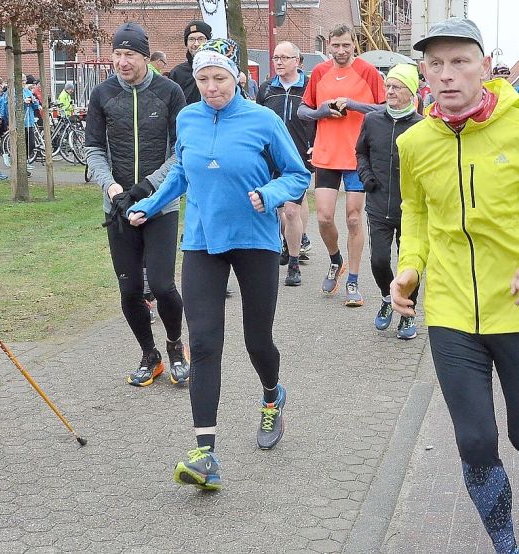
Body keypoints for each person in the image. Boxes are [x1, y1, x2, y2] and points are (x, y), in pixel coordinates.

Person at [391, 18, 519, 553]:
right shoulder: (414, 142)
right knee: (475, 441)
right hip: (453, 313)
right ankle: (507, 544)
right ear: (423, 73)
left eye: (460, 61)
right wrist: (410, 265)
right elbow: (415, 210)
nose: (447, 75)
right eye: (435, 64)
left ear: (484, 65)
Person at [127, 37, 309, 490]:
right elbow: (183, 174)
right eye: (204, 78)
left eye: (219, 78)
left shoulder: (262, 120)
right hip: (204, 242)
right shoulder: (187, 118)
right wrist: (150, 205)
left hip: (255, 241)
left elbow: (297, 174)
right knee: (204, 342)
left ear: (237, 79)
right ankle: (204, 453)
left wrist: (269, 195)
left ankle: (271, 396)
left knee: (256, 340)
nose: (211, 86)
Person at [85, 22, 189, 386]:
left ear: (145, 56)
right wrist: (113, 189)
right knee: (129, 289)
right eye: (117, 54)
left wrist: (148, 187)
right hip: (117, 205)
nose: (122, 61)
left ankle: (175, 345)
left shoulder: (169, 91)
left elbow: (181, 152)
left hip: (160, 204)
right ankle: (150, 354)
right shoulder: (102, 94)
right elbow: (94, 149)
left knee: (161, 285)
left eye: (129, 54)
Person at [298, 24, 386, 305]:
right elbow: (302, 110)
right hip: (326, 154)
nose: (340, 51)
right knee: (323, 217)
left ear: (354, 45)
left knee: (352, 218)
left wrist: (353, 104)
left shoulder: (368, 72)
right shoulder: (320, 73)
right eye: (335, 46)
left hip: (358, 155)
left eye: (346, 45)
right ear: (329, 45)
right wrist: (321, 111)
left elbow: (385, 108)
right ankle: (336, 260)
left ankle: (353, 281)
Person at [355, 63, 422, 339]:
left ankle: (408, 312)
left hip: (411, 208)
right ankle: (386, 298)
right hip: (378, 203)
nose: (390, 91)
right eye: (389, 86)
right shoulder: (373, 120)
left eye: (397, 87)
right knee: (379, 261)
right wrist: (366, 177)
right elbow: (360, 153)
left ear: (411, 92)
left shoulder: (422, 126)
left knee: (409, 266)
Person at [255, 40, 317, 287]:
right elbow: (256, 119)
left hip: (298, 157)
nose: (279, 62)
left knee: (291, 210)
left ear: (297, 61)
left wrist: (317, 145)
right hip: (270, 157)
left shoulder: (310, 88)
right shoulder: (266, 88)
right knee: (278, 209)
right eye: (276, 58)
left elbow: (320, 119)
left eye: (284, 58)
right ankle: (287, 243)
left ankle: (293, 263)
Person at [169, 20, 212, 105]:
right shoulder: (177, 73)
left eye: (201, 39)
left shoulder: (221, 69)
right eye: (191, 39)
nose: (196, 44)